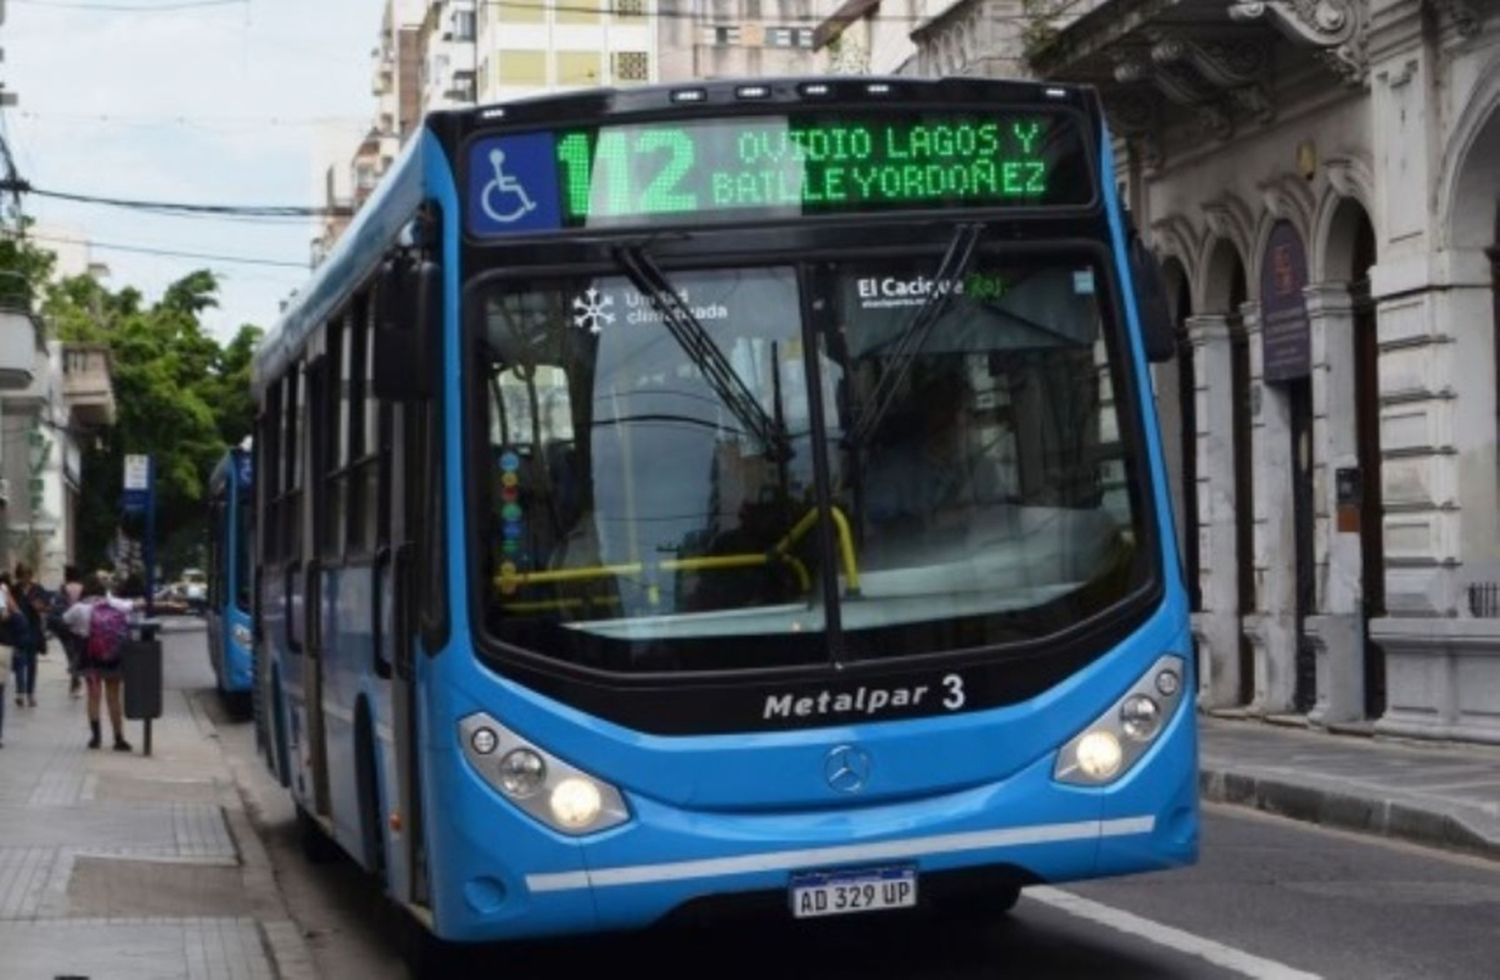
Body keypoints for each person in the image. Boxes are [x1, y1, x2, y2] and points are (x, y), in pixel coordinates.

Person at [62, 573, 136, 752]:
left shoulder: (79, 608)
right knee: (114, 697)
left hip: (90, 656)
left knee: (93, 696)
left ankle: (96, 738)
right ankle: (119, 738)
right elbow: (131, 615)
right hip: (113, 655)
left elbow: (64, 621)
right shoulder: (114, 603)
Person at [10, 563, 45, 709]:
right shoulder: (14, 590)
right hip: (18, 632)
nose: (26, 577)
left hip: (33, 631)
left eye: (28, 574)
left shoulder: (38, 589)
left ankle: (30, 694)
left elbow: (45, 607)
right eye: (23, 574)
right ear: (19, 575)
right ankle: (20, 693)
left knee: (32, 664)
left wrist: (39, 607)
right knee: (19, 663)